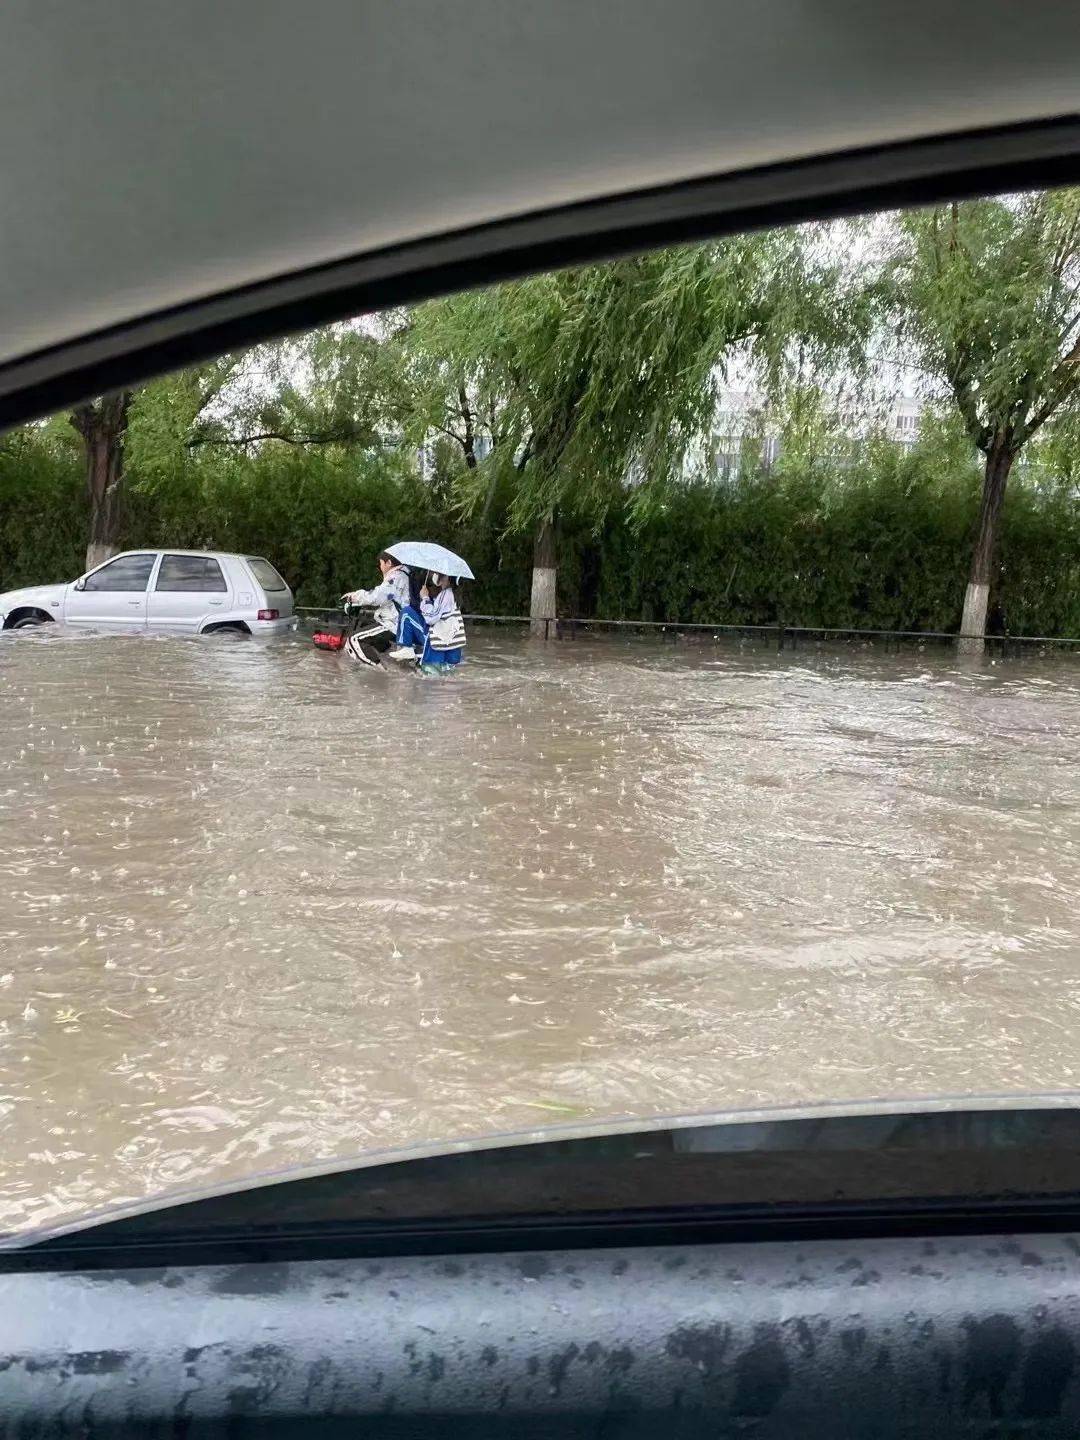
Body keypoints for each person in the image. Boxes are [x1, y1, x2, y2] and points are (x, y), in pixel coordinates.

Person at [341, 552, 412, 668]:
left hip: (393, 623)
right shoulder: (404, 575)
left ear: (388, 563)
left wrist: (354, 596)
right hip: (397, 622)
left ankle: (379, 674)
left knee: (353, 640)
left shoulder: (396, 577)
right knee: (368, 639)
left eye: (381, 563)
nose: (380, 567)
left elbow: (377, 597)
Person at [419, 571, 467, 667]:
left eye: (437, 573)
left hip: (441, 640)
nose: (435, 576)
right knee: (449, 672)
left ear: (447, 577)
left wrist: (425, 598)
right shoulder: (455, 594)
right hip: (454, 642)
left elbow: (432, 618)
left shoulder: (445, 594)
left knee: (432, 671)